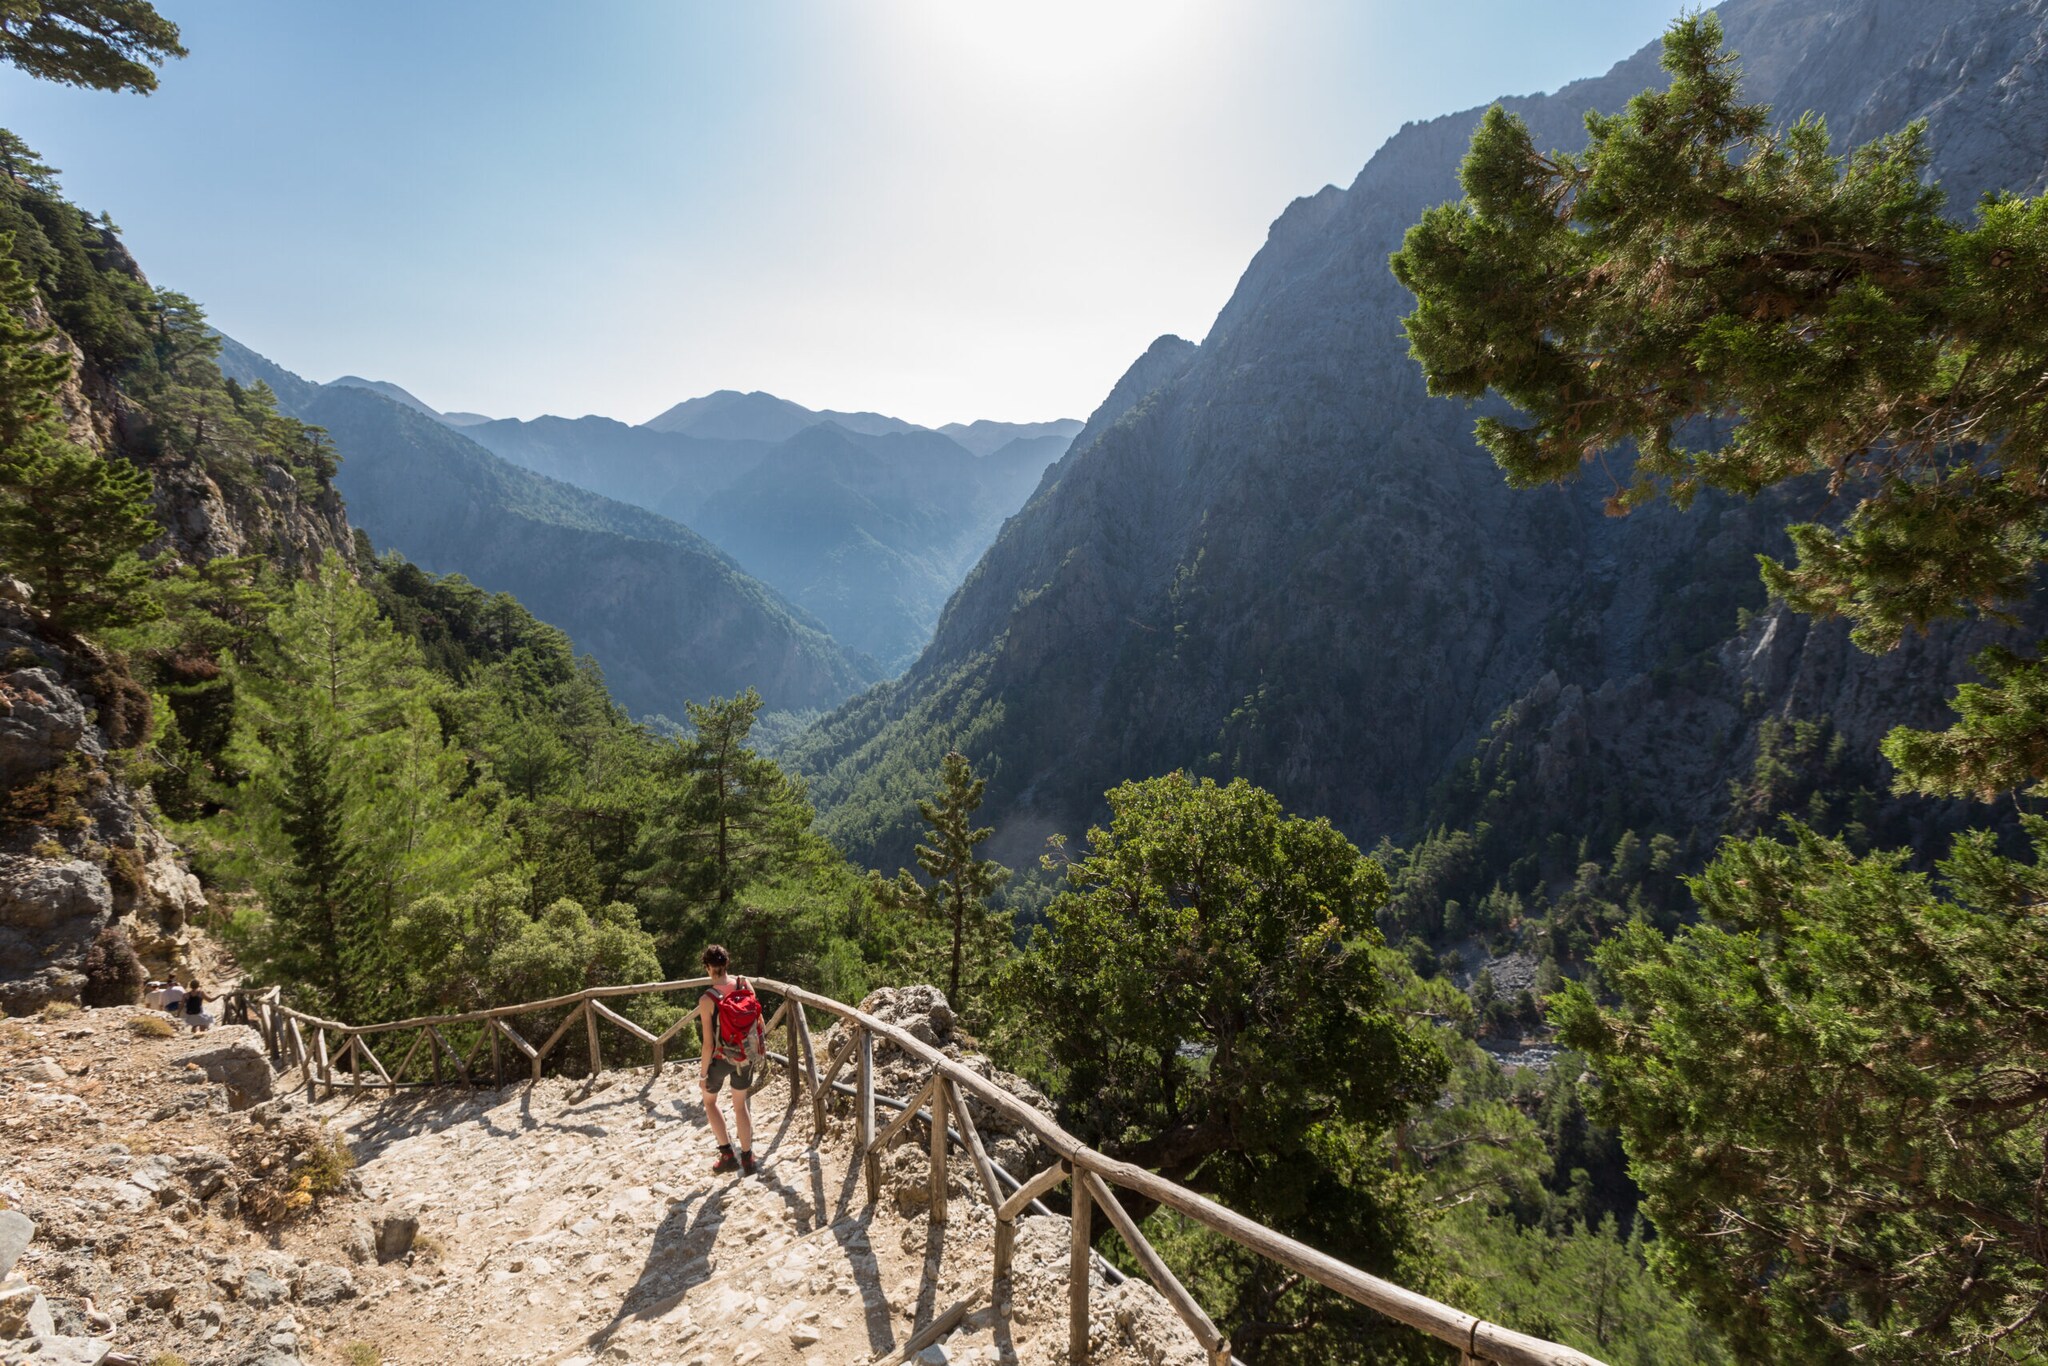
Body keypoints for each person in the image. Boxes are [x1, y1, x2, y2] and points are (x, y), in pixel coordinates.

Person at [697, 945, 757, 1177]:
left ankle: (727, 1155)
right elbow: (757, 1020)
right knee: (740, 1105)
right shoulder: (744, 983)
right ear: (727, 963)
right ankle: (748, 1158)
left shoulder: (707, 999)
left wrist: (703, 1075)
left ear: (707, 968)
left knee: (710, 1102)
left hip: (721, 1058)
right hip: (745, 1055)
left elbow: (707, 1044)